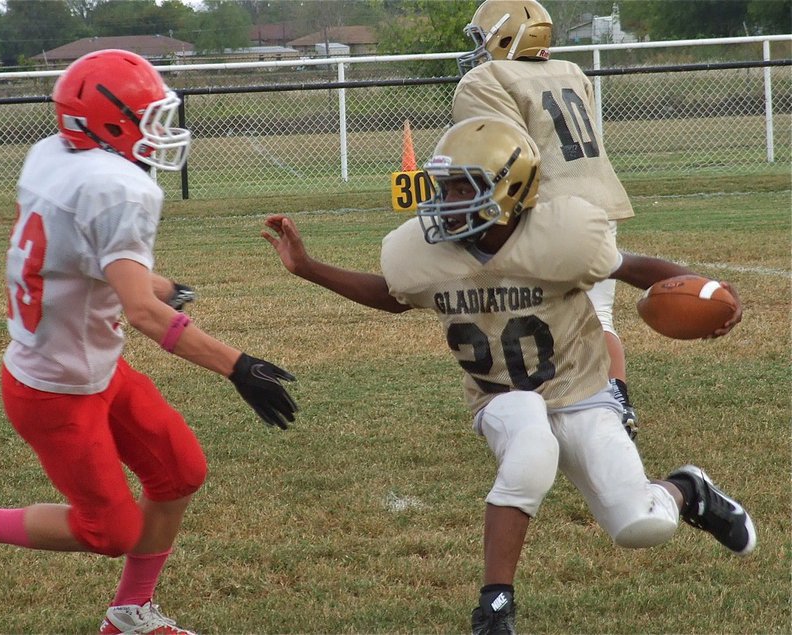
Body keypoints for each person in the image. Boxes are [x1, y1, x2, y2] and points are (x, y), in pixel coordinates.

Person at [261, 116, 756, 635]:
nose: (445, 200)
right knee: (527, 432)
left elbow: (633, 268)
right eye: (444, 186)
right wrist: (309, 267)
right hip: (498, 394)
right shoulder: (423, 252)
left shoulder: (563, 238)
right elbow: (393, 295)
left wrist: (710, 290)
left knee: (641, 524)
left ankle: (687, 490)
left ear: (509, 190)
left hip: (582, 393)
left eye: (461, 187)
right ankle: (495, 605)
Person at [0, 49, 297, 635]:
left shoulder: (54, 155)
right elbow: (144, 314)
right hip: (55, 392)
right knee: (109, 531)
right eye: (146, 116)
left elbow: (76, 255)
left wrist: (159, 283)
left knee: (180, 471)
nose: (158, 131)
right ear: (105, 122)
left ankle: (129, 614)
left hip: (95, 369)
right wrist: (238, 366)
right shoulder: (115, 186)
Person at [453, 0, 640, 439]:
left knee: (520, 313)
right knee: (599, 315)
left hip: (546, 209)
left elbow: (500, 154)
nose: (479, 51)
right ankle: (614, 399)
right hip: (597, 201)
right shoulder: (572, 72)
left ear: (505, 35)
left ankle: (535, 409)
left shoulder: (488, 78)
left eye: (483, 39)